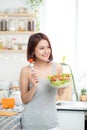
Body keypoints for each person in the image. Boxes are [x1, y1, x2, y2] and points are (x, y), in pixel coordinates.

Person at [20, 32, 63, 130]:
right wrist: (34, 87)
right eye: (41, 48)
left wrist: (64, 84)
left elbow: (60, 93)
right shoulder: (26, 71)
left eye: (48, 47)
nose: (46, 51)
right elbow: (24, 100)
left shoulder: (57, 68)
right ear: (33, 51)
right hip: (30, 124)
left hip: (51, 124)